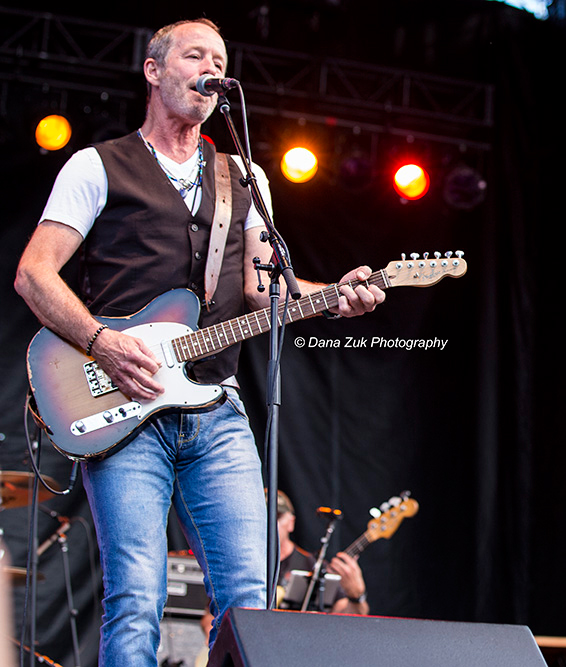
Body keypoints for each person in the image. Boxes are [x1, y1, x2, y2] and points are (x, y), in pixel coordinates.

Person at [14, 18, 383, 666]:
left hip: (218, 406)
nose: (211, 68)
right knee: (136, 597)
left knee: (248, 600)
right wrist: (100, 341)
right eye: (195, 55)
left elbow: (263, 288)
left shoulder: (243, 178)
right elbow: (34, 272)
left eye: (219, 58)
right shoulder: (97, 165)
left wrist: (333, 295)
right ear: (155, 70)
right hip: (126, 411)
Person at [272, 489, 370, 613]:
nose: (269, 523)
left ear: (291, 523)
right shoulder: (246, 564)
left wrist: (356, 596)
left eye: (277, 517)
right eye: (263, 517)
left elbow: (348, 616)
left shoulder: (312, 566)